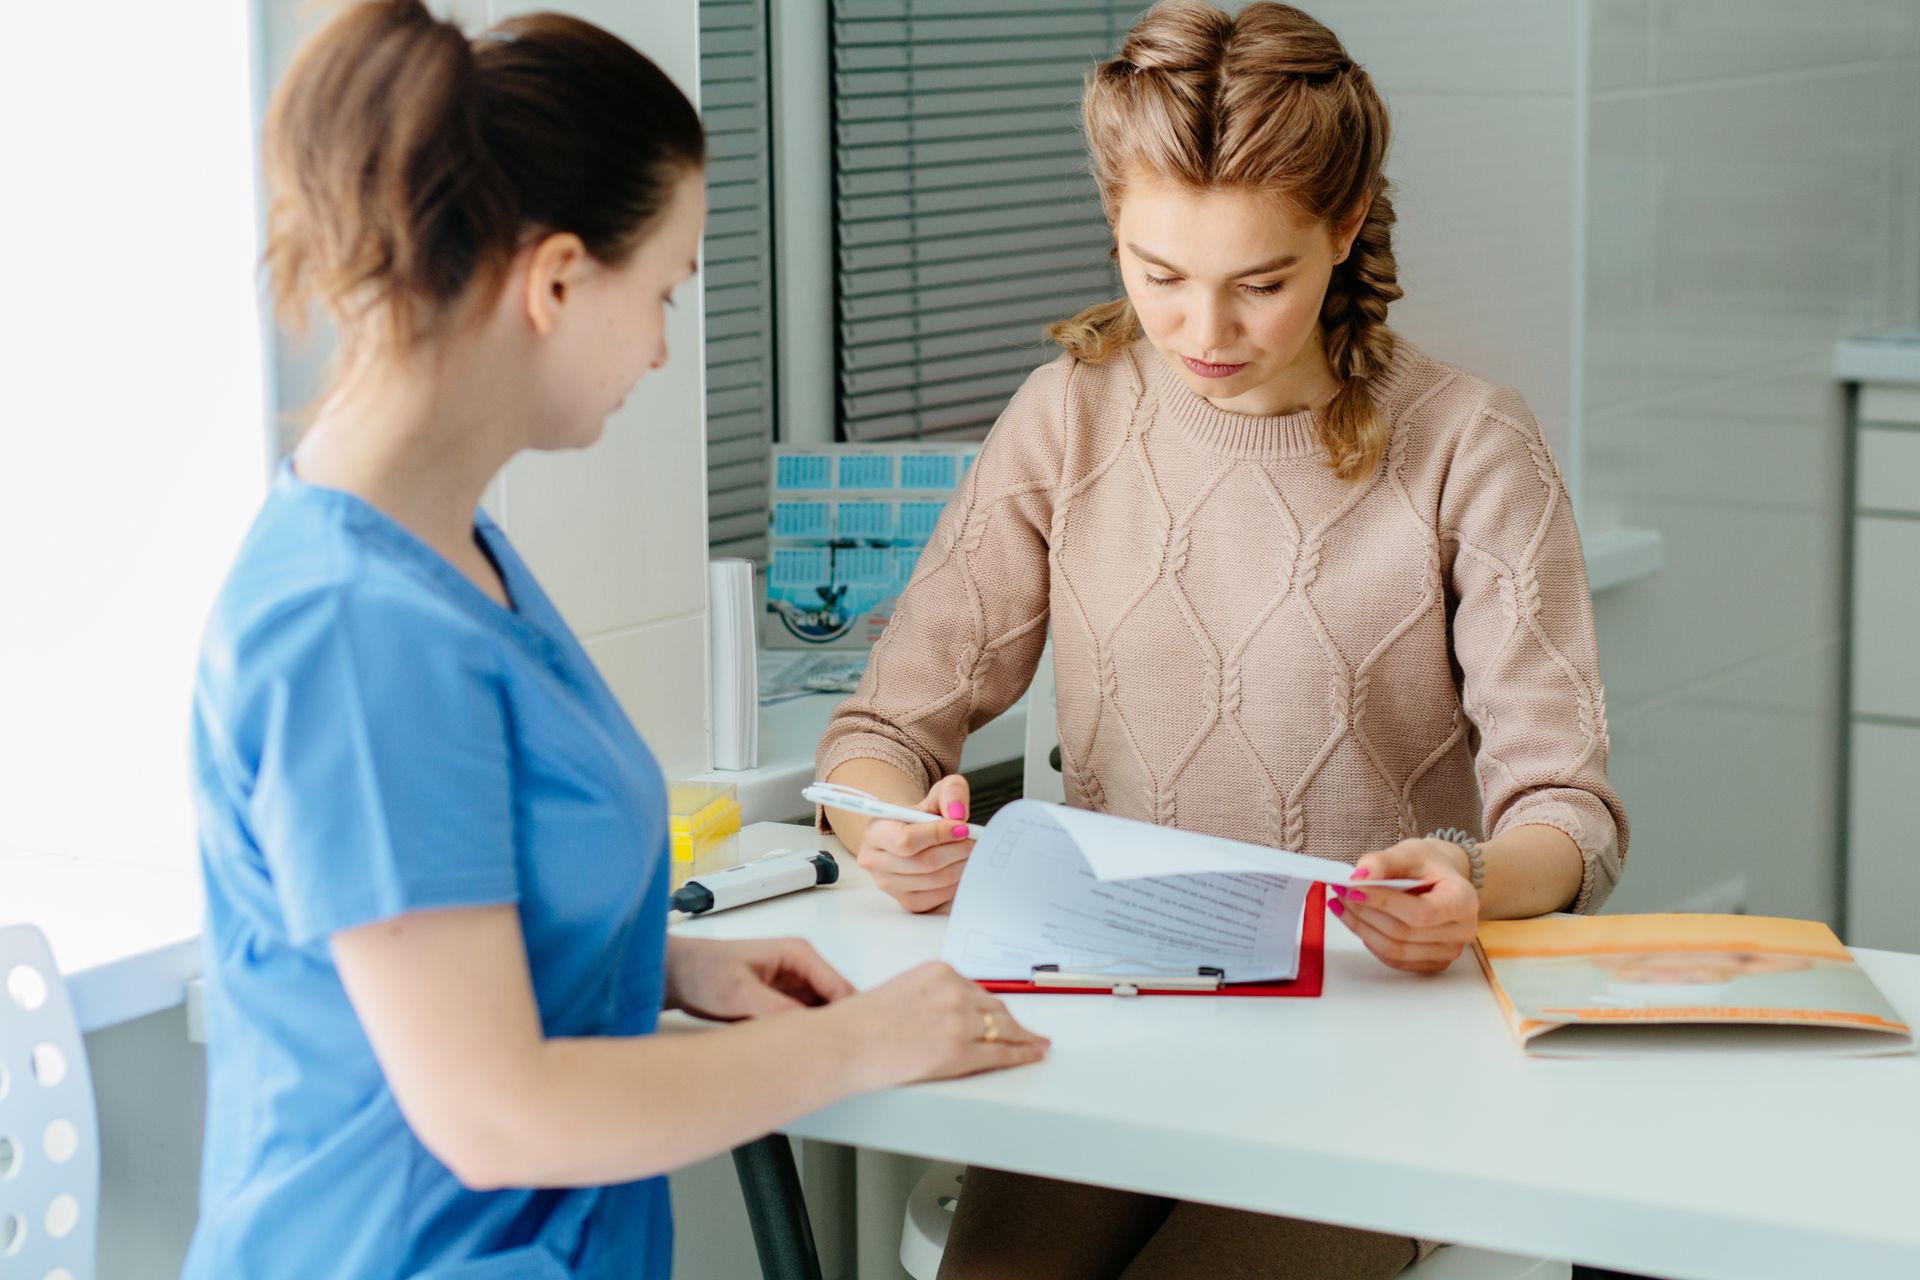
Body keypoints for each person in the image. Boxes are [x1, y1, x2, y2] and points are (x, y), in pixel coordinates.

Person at [184, 4, 1046, 1276]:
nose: (658, 346)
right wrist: (856, 1046)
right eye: (665, 291)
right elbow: (491, 1111)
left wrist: (670, 962)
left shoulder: (452, 555)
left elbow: (461, 923)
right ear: (553, 279)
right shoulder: (353, 629)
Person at [813, 3, 1630, 1276]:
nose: (1203, 332)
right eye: (1157, 275)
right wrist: (887, 830)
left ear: (1345, 230)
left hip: (1384, 1055)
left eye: (1261, 284)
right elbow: (877, 736)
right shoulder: (1069, 418)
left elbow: (1569, 814)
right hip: (1117, 1027)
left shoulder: (1471, 445)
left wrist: (1473, 883)